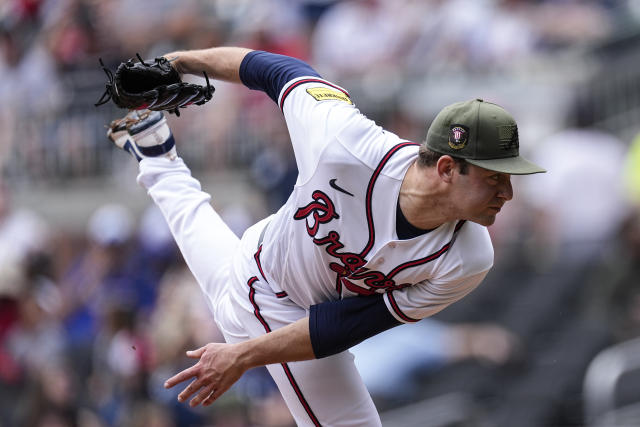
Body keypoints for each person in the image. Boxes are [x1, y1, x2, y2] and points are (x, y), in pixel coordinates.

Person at [106, 47, 545, 426]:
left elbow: (347, 325)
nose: (507, 192)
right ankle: (158, 157)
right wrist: (180, 63)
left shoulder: (468, 257)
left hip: (299, 302)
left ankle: (156, 155)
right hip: (272, 289)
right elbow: (277, 70)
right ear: (448, 169)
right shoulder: (346, 142)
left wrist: (243, 354)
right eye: (494, 178)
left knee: (212, 259)